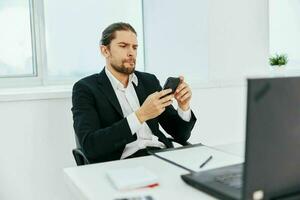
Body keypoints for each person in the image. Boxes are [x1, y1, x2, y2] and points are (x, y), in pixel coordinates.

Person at [71, 22, 197, 163]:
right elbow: (90, 146)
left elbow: (181, 135)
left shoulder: (149, 81)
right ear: (105, 51)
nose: (131, 52)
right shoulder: (85, 88)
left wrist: (184, 106)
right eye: (123, 46)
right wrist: (140, 115)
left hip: (161, 156)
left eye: (135, 47)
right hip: (122, 162)